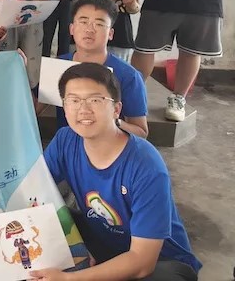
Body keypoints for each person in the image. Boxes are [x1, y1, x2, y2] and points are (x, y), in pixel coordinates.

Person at [33, 62, 201, 281]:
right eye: (73, 100)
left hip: (161, 263)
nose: (83, 109)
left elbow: (142, 262)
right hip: (104, 242)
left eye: (95, 100)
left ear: (116, 109)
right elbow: (35, 188)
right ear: (64, 107)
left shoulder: (146, 165)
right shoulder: (66, 140)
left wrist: (70, 278)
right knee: (51, 219)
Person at [57, 0, 148, 138]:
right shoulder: (57, 66)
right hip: (67, 147)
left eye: (99, 24)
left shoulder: (128, 75)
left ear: (110, 33)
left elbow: (141, 133)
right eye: (83, 22)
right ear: (72, 29)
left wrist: (112, 121)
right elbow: (33, 108)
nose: (90, 29)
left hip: (108, 147)